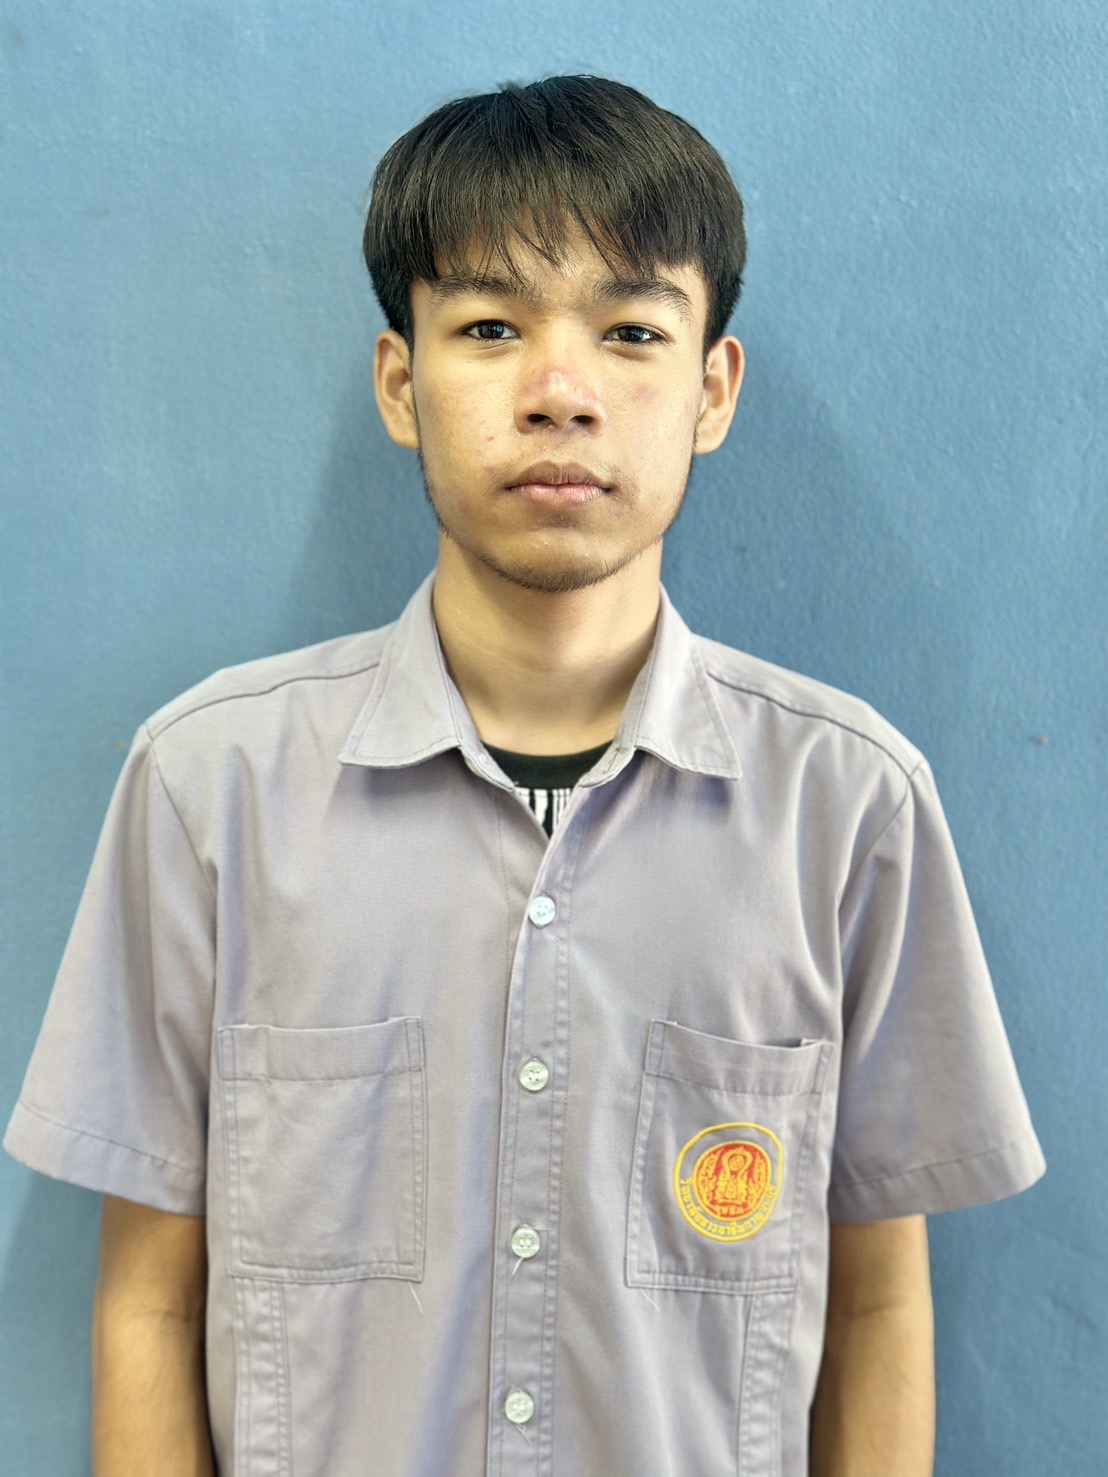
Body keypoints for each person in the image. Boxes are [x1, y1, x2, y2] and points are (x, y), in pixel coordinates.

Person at [4, 75, 1045, 1477]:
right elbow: (149, 1301)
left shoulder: (848, 805)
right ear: (401, 382)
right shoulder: (210, 788)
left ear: (712, 390)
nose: (560, 393)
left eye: (632, 332)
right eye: (490, 328)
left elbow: (875, 1302)